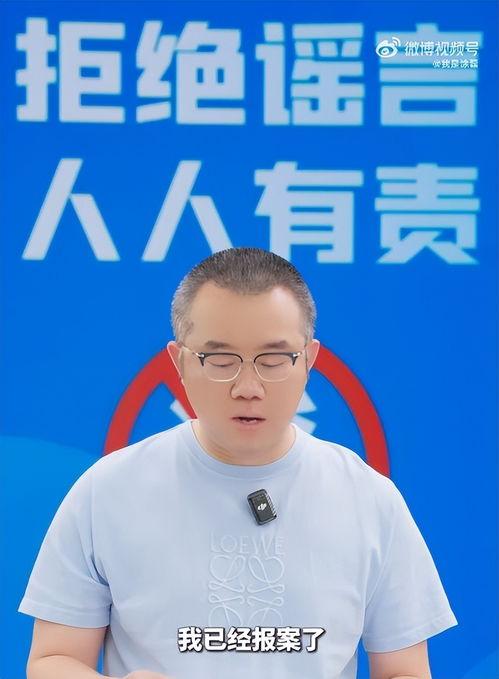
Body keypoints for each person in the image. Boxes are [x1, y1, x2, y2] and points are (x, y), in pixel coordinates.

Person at [19, 247, 457, 679]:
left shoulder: (369, 498)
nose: (248, 387)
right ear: (179, 362)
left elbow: (405, 671)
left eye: (273, 360)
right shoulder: (108, 490)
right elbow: (52, 659)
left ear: (308, 360)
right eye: (221, 360)